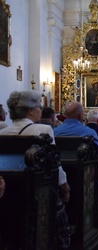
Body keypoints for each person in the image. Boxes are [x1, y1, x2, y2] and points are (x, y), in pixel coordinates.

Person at [0, 90, 72, 248]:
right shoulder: (43, 131)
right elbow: (54, 164)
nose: (41, 110)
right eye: (39, 106)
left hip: (9, 195)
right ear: (31, 110)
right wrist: (65, 187)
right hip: (38, 193)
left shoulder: (3, 132)